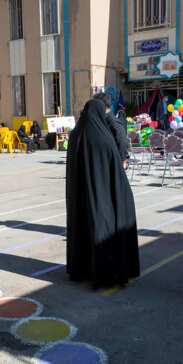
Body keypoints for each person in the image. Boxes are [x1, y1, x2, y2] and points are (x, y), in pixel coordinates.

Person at [66, 98, 140, 288]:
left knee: (84, 230)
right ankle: (105, 274)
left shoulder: (75, 136)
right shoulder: (104, 138)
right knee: (103, 231)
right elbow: (117, 175)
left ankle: (83, 271)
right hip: (104, 196)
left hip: (80, 198)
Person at [94, 93, 130, 168]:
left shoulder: (112, 122)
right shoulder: (103, 120)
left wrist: (122, 160)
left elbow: (122, 141)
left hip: (113, 163)